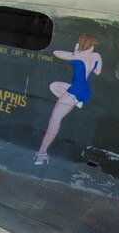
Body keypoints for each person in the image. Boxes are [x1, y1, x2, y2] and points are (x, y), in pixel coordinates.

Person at [34, 35, 101, 165]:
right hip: (84, 90)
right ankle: (77, 102)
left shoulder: (78, 55)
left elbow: (56, 53)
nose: (93, 48)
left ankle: (41, 154)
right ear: (89, 46)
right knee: (54, 86)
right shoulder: (96, 56)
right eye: (92, 46)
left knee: (54, 121)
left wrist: (75, 51)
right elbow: (98, 71)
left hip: (74, 91)